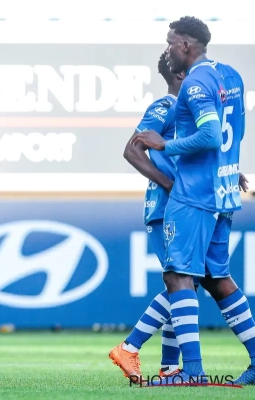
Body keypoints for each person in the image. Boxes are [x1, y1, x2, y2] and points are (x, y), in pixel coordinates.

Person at [132, 16, 254, 384]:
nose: (168, 49)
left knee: (178, 276)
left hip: (194, 193)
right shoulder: (230, 75)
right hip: (221, 191)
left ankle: (192, 371)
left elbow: (211, 135)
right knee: (217, 278)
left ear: (185, 45)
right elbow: (234, 131)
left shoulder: (195, 83)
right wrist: (229, 169)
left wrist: (165, 144)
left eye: (171, 42)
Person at [109, 52, 184, 379]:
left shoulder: (186, 110)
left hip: (179, 206)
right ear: (180, 75)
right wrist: (169, 184)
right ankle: (129, 347)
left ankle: (168, 367)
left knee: (184, 286)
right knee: (184, 284)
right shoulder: (165, 106)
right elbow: (131, 149)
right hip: (166, 207)